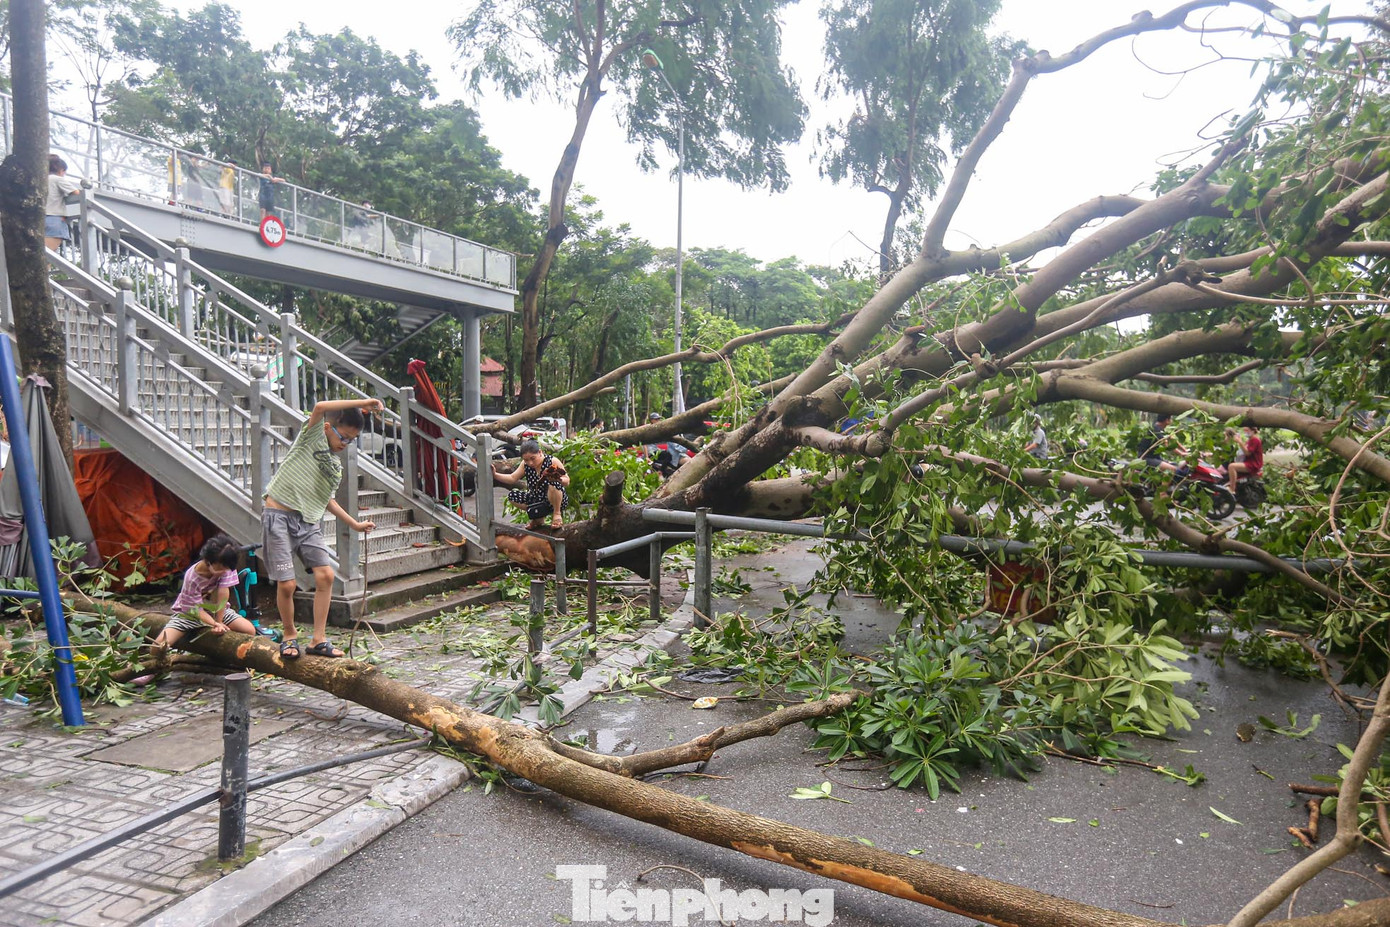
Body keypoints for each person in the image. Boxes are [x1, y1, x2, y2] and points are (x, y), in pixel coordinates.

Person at [263, 397, 381, 659]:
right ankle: (289, 635)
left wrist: (354, 523)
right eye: (344, 437)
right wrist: (366, 402)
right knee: (287, 584)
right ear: (329, 427)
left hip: (307, 521)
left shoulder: (333, 467)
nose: (345, 444)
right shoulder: (312, 436)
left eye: (351, 441)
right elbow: (320, 407)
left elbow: (327, 500)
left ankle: (318, 639)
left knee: (326, 575)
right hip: (278, 516)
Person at [151, 535, 257, 658]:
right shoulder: (192, 578)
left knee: (249, 630)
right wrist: (214, 624)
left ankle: (232, 659)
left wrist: (219, 621)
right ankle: (152, 669)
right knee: (158, 646)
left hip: (216, 610)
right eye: (222, 568)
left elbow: (223, 594)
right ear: (208, 562)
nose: (225, 571)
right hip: (190, 614)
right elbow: (194, 609)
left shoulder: (227, 567)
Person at [492, 439, 569, 529]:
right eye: (526, 460)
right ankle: (538, 517)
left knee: (554, 484)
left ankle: (557, 515)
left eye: (533, 458)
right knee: (512, 496)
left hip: (554, 498)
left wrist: (558, 479)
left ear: (540, 452)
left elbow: (567, 480)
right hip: (536, 499)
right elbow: (512, 478)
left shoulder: (552, 461)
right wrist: (495, 475)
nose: (530, 463)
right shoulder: (525, 464)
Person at [45, 155, 81, 250]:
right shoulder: (57, 179)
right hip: (54, 220)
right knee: (48, 257)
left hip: (40, 219)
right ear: (61, 170)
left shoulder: (40, 180)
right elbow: (77, 193)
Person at [1226, 425, 1264, 493]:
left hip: (1253, 464)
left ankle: (1232, 489)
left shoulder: (1255, 440)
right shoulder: (1250, 440)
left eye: (1247, 430)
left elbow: (1247, 453)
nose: (1245, 432)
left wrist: (1240, 442)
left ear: (1253, 430)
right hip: (1248, 462)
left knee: (1231, 466)